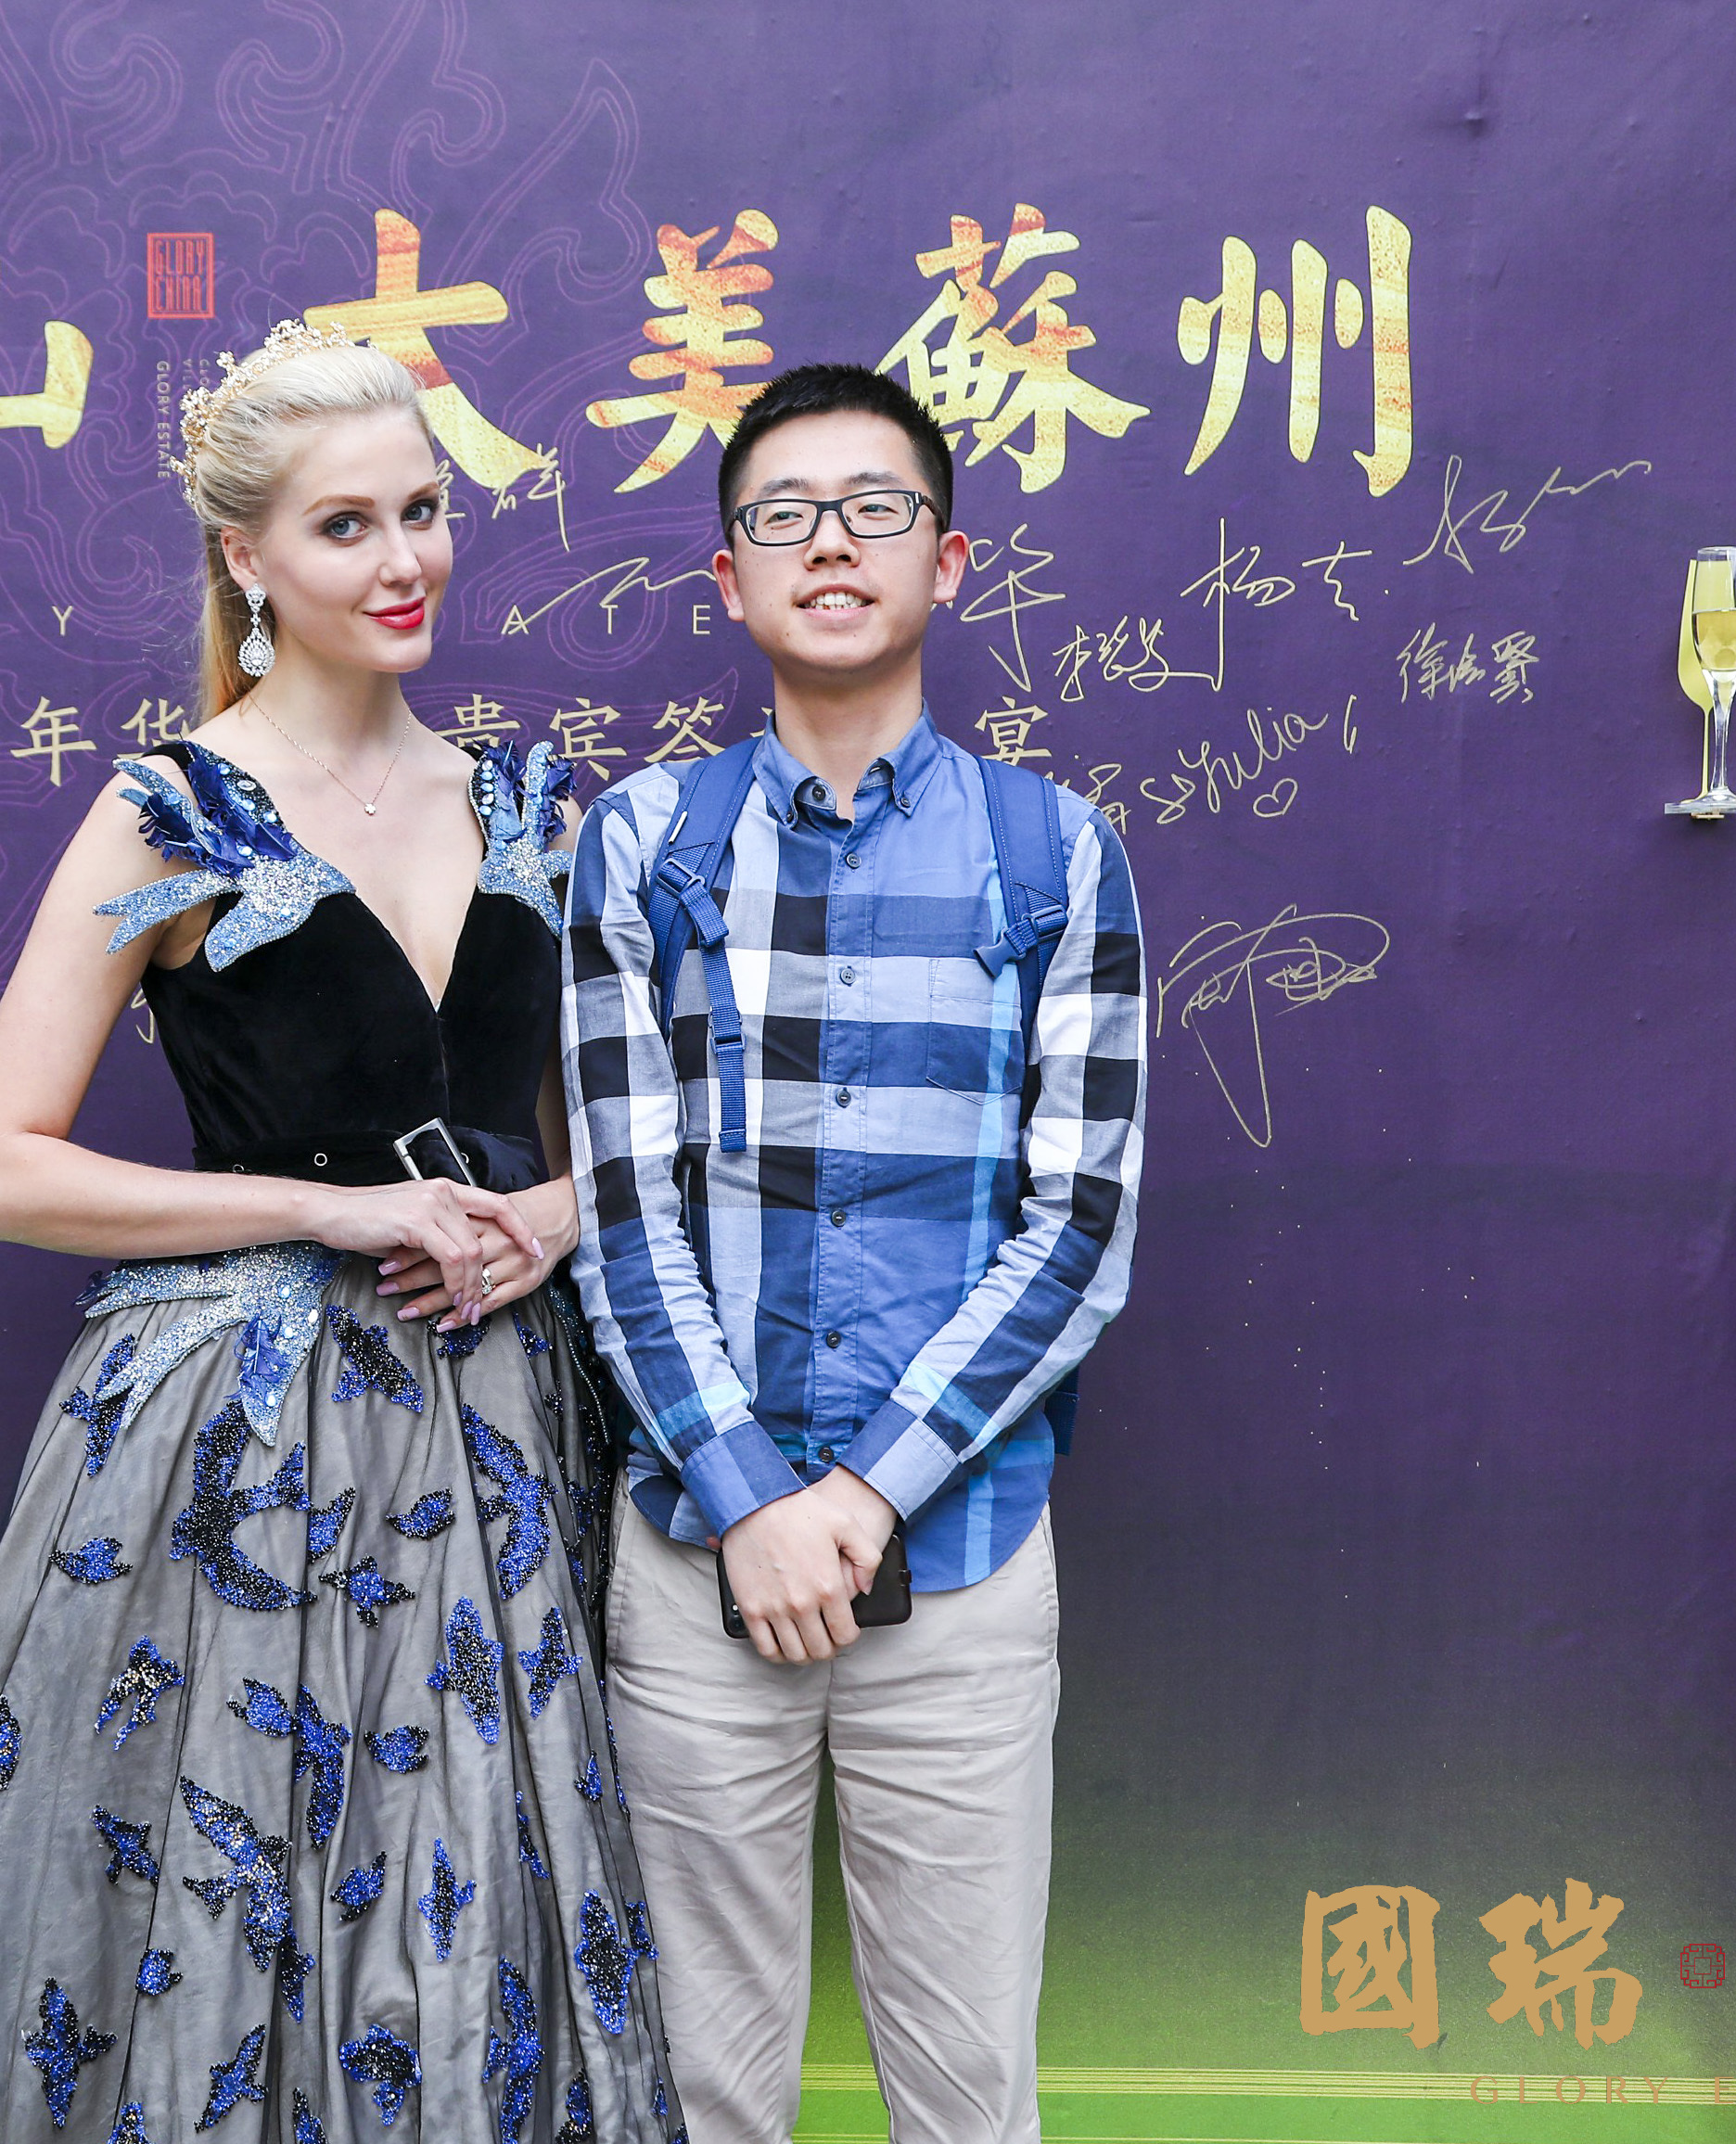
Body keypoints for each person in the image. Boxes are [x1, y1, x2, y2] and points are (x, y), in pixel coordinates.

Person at [0, 324, 679, 2144]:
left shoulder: (527, 801)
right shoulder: (172, 806)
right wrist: (325, 1206)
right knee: (229, 1915)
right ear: (247, 557)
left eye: (423, 510)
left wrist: (549, 1212)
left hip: (501, 1439)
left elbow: (618, 1145)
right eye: (347, 525)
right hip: (253, 1453)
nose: (406, 558)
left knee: (467, 1921)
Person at [560, 363, 1146, 2144]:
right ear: (728, 577)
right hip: (696, 1555)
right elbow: (623, 1210)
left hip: (959, 1555)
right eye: (784, 516)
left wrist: (869, 1491)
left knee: (969, 2097)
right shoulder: (644, 845)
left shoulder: (1057, 853)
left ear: (947, 561)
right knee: (698, 2093)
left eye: (877, 509)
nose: (832, 544)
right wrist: (750, 1497)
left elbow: (1078, 1227)